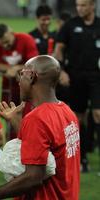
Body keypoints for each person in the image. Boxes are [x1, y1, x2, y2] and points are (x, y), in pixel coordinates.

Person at [0, 55, 80, 200]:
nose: (18, 81)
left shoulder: (37, 118)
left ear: (32, 76)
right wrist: (15, 120)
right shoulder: (67, 112)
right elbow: (40, 144)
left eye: (22, 74)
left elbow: (33, 177)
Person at [54, 0, 100, 172]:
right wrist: (62, 71)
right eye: (78, 5)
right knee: (78, 118)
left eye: (83, 5)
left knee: (98, 114)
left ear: (92, 6)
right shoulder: (70, 25)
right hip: (76, 77)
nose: (80, 8)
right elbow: (59, 49)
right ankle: (82, 159)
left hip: (97, 77)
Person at [0, 23, 38, 139]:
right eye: (3, 43)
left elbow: (34, 63)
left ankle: (28, 140)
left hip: (28, 89)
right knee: (8, 115)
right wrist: (12, 69)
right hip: (9, 87)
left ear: (12, 33)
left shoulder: (26, 40)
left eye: (7, 41)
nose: (6, 45)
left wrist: (16, 69)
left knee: (27, 115)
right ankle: (12, 142)